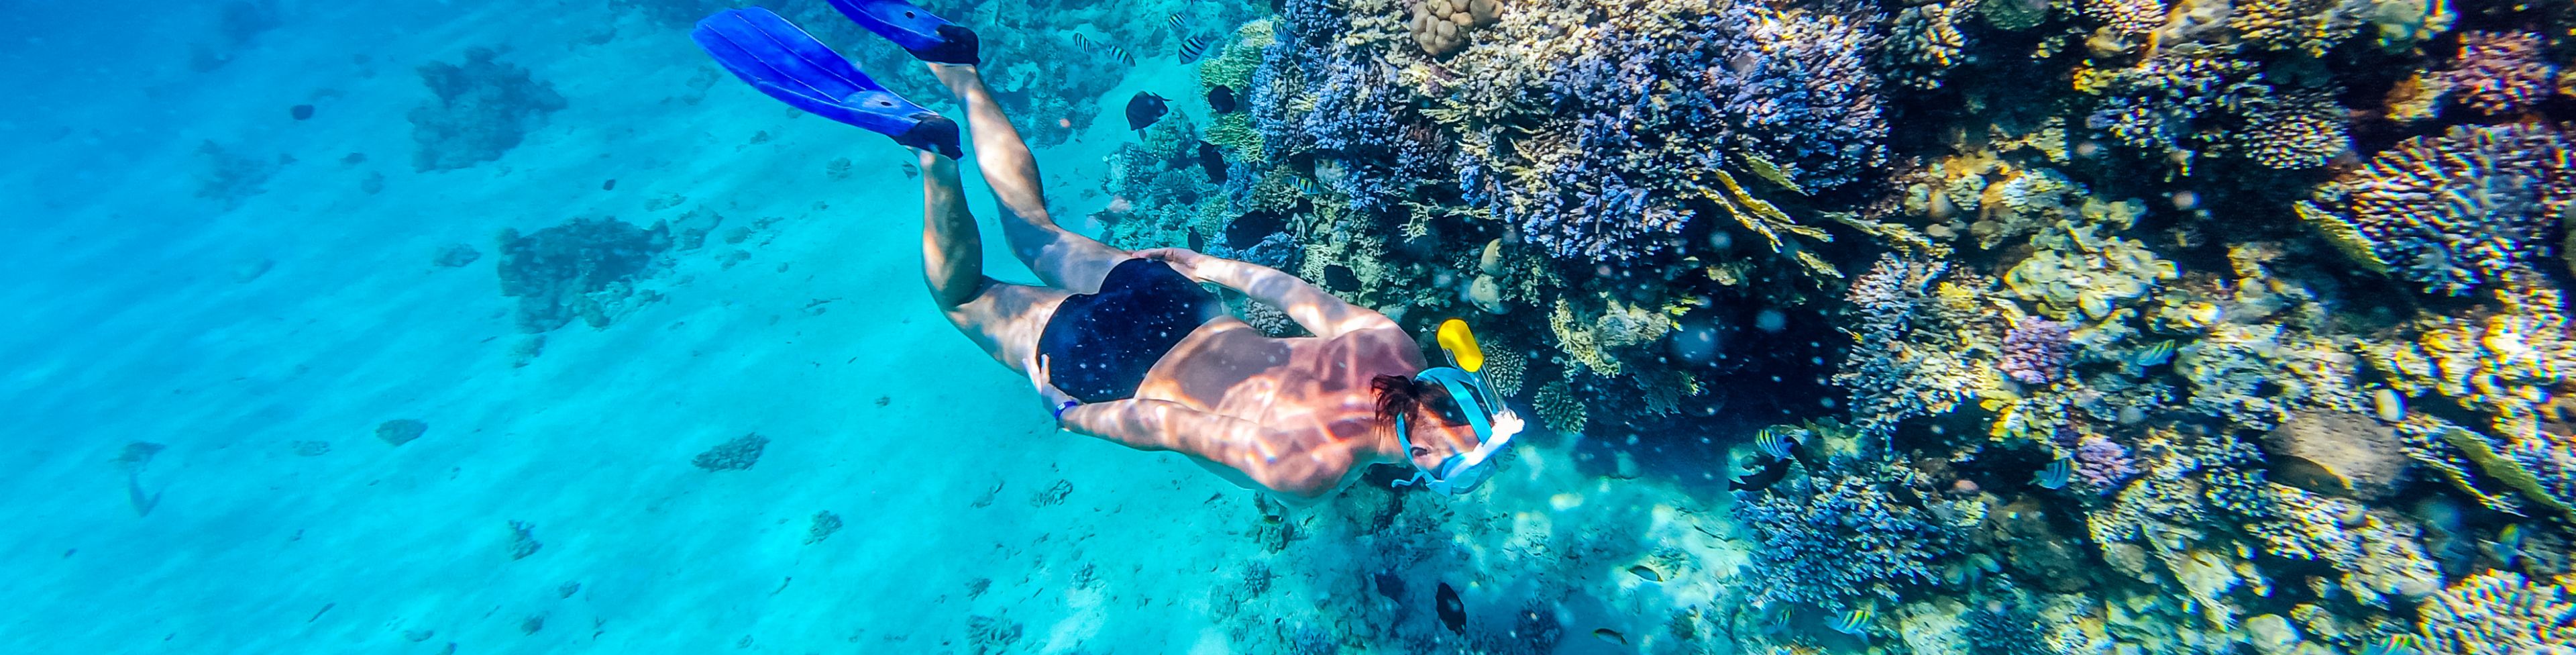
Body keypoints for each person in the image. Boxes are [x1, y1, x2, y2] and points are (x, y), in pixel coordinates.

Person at [689, 1, 1521, 501]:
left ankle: (957, 72)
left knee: (1033, 228)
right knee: (963, 296)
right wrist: (1074, 414)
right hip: (1111, 366)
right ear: (1425, 458)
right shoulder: (1308, 468)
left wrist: (1205, 267)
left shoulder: (1393, 347)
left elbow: (1293, 292)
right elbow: (1165, 425)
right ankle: (931, 160)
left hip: (1180, 303)